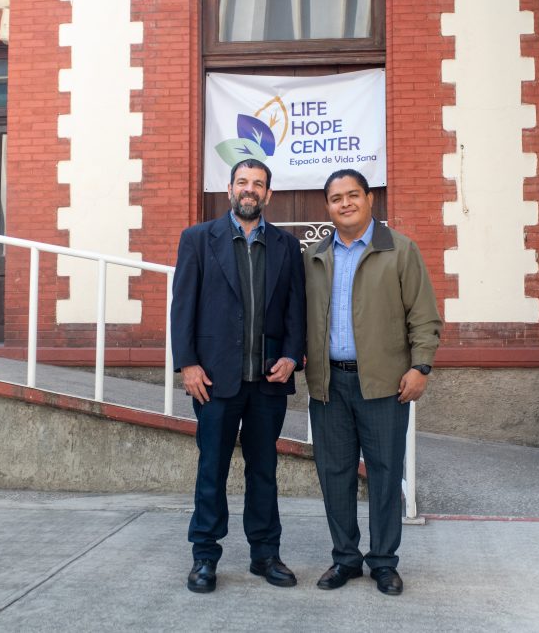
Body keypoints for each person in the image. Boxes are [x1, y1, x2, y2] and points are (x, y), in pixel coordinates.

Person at [304, 168, 443, 596]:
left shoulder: (400, 250)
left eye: (352, 195)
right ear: (327, 207)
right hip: (330, 385)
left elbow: (423, 315)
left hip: (384, 385)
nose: (344, 204)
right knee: (335, 474)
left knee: (384, 474)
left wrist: (421, 367)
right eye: (335, 198)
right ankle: (345, 559)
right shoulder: (314, 256)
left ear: (369, 200)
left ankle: (384, 562)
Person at [171, 158, 306, 594]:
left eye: (259, 184)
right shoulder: (197, 239)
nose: (250, 190)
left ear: (268, 195)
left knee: (263, 470)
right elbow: (183, 306)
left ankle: (265, 554)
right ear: (230, 188)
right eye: (243, 182)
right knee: (212, 467)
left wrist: (292, 355)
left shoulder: (287, 246)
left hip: (267, 381)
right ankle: (204, 557)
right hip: (214, 380)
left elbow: (295, 310)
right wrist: (187, 363)